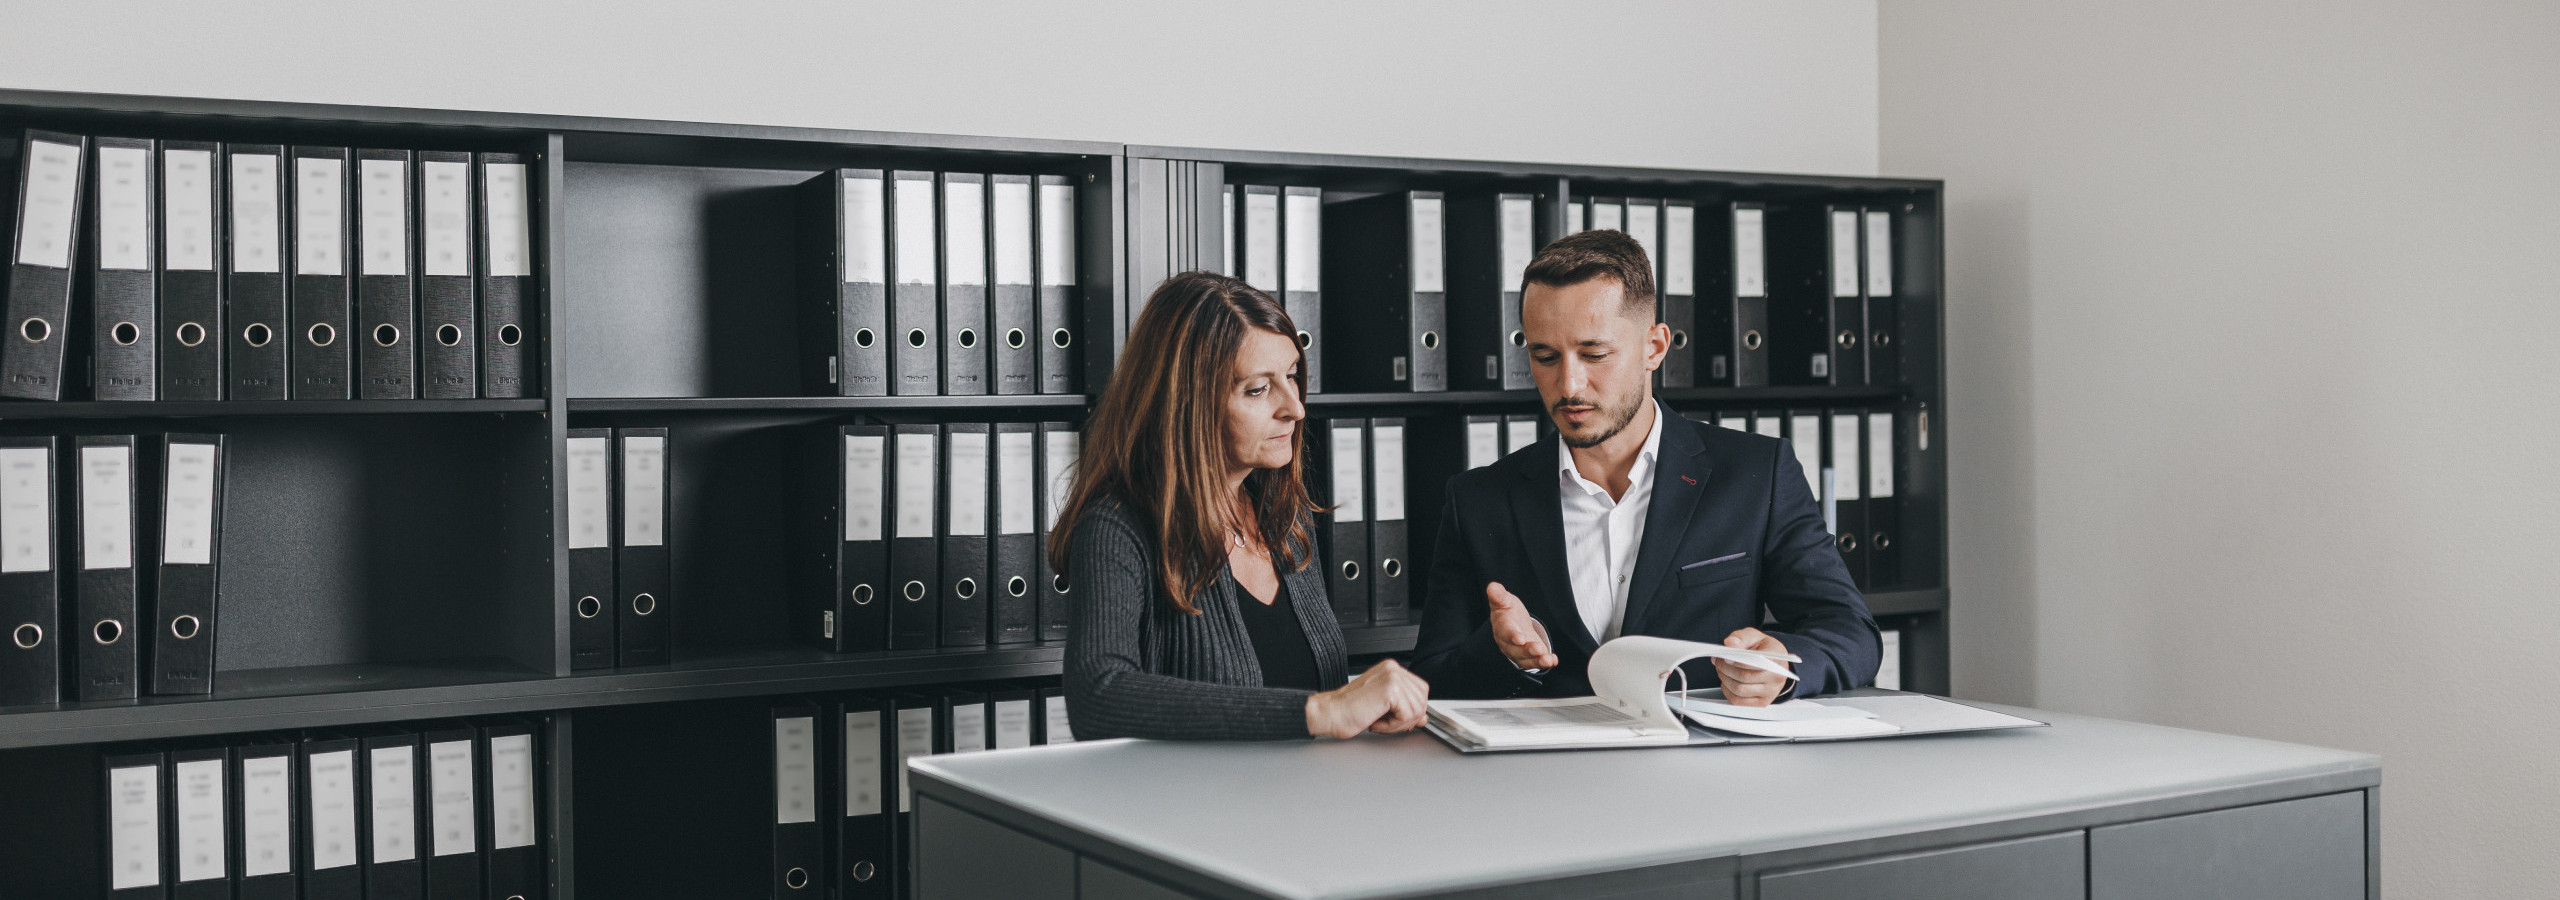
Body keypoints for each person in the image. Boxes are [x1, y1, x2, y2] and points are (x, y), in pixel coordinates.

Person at [1409, 230, 1879, 705]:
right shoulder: (1478, 500)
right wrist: (1504, 654)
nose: (1568, 384)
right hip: (1549, 775)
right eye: (1544, 356)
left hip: (1703, 768)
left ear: (1654, 348)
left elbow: (1851, 633)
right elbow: (1430, 678)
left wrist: (1781, 663)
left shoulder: (1758, 473)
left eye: (1595, 354)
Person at [1055, 271, 1432, 739]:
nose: (1294, 408)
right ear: (1187, 403)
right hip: (1195, 810)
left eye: (1292, 377)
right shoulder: (1116, 529)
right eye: (1258, 389)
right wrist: (1320, 712)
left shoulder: (1284, 520)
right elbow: (1098, 697)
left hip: (1312, 802)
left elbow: (1311, 692)